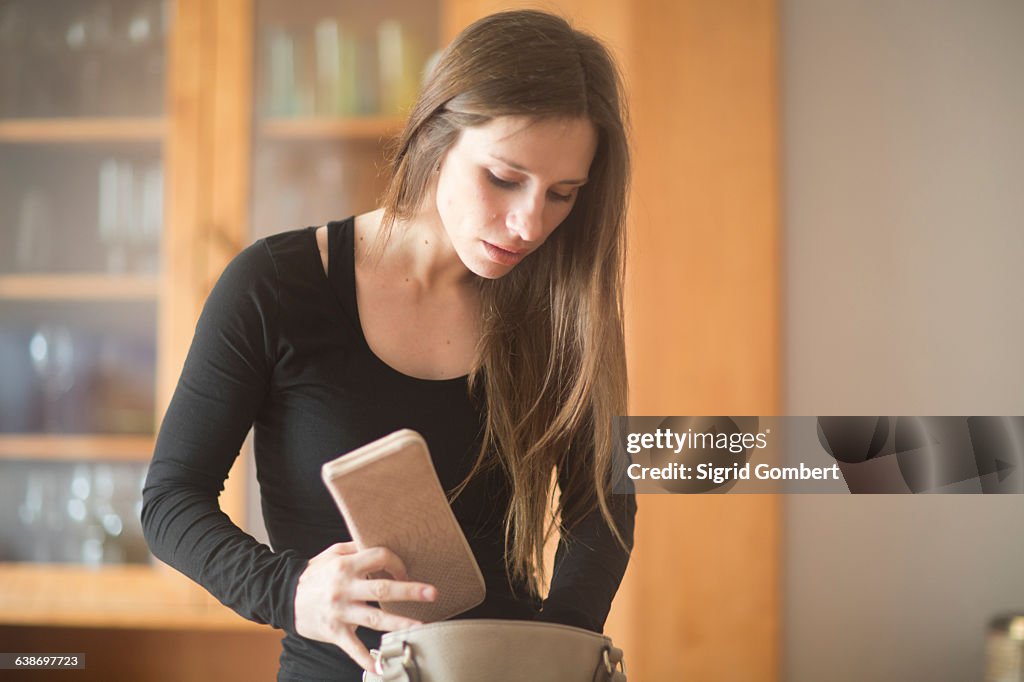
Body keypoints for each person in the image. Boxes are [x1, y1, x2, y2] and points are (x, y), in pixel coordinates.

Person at [142, 9, 636, 681]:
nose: (528, 223)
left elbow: (602, 507)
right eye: (503, 177)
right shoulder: (275, 287)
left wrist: (560, 653)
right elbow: (171, 500)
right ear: (436, 133)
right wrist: (289, 592)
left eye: (562, 194)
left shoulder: (565, 312)